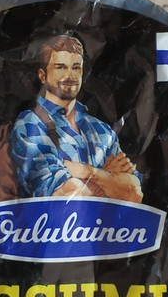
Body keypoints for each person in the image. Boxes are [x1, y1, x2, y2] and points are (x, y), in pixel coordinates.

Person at [11, 35, 143, 203]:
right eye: (60, 67)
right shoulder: (31, 123)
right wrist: (108, 178)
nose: (70, 75)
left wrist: (88, 172)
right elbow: (66, 195)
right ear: (43, 76)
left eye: (76, 67)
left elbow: (134, 193)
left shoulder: (102, 130)